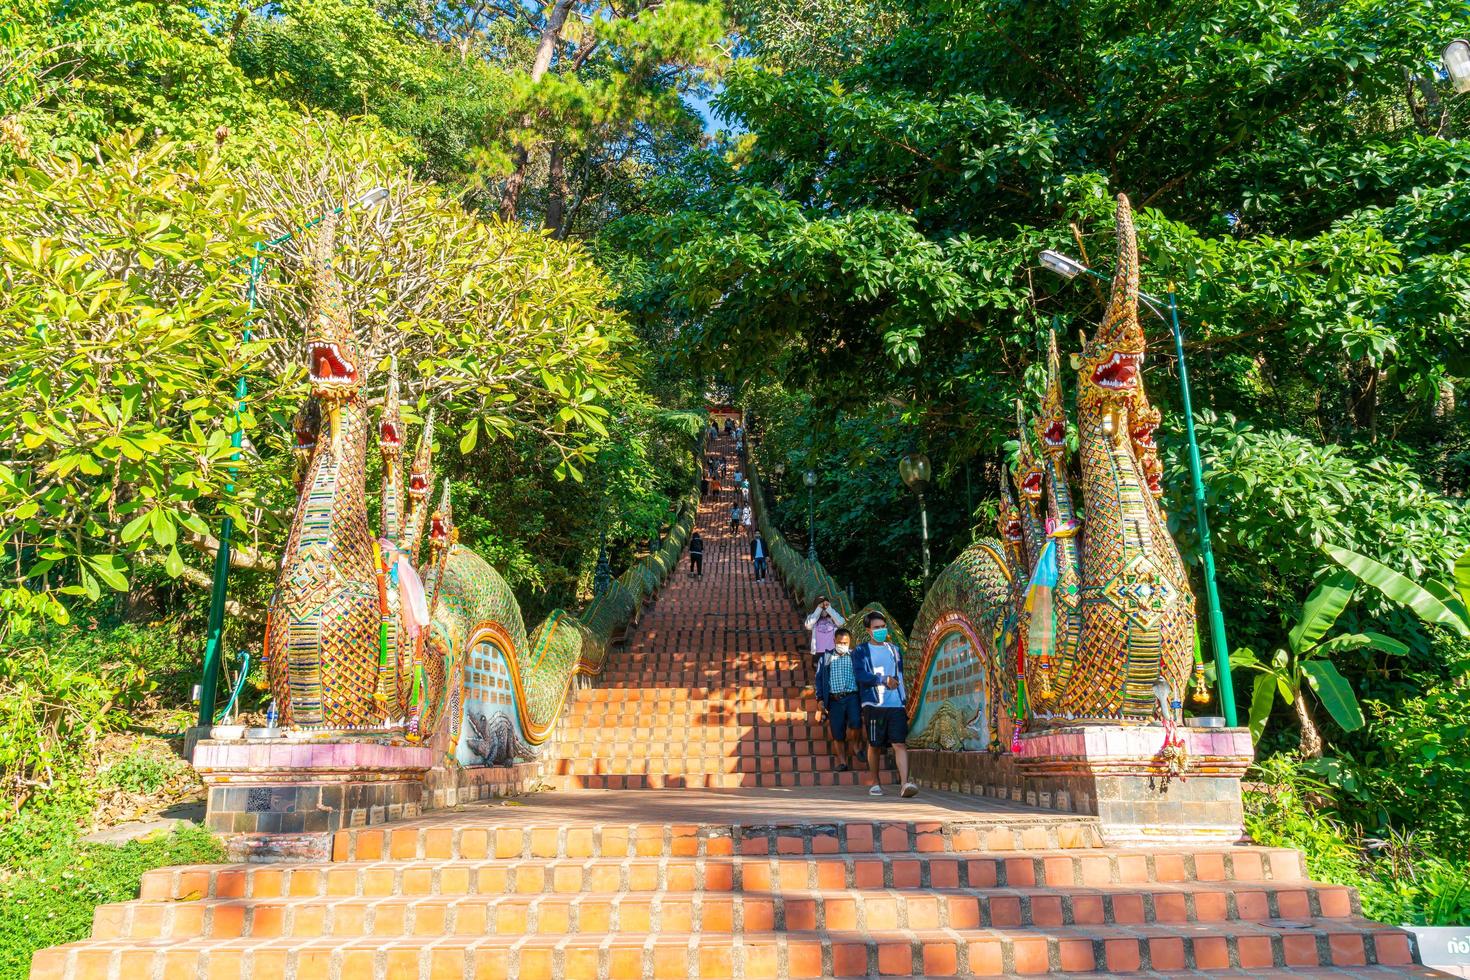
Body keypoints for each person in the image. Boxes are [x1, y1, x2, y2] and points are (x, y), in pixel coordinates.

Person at [853, 612, 918, 798]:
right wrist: (882, 679)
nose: (881, 630)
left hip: (895, 703)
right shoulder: (861, 651)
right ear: (868, 630)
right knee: (874, 744)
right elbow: (860, 675)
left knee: (899, 742)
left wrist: (903, 698)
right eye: (876, 627)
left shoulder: (894, 650)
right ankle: (875, 782)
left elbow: (900, 675)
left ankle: (905, 783)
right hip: (873, 703)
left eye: (883, 626)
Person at [815, 628, 863, 771]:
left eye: (846, 642)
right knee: (837, 731)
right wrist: (820, 699)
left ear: (850, 642)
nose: (842, 645)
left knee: (856, 723)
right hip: (834, 699)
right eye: (840, 642)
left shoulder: (854, 656)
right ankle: (842, 762)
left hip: (852, 696)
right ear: (834, 641)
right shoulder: (826, 658)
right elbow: (819, 679)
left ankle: (856, 746)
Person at [804, 596, 845, 660]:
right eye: (821, 607)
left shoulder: (833, 617)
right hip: (818, 653)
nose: (823, 609)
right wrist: (818, 609)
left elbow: (841, 623)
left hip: (833, 652)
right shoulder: (812, 617)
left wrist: (829, 609)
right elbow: (808, 626)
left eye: (825, 606)